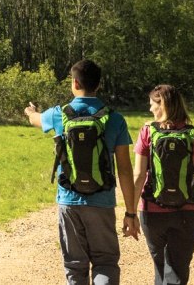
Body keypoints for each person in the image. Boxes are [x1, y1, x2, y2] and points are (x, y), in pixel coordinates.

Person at [25, 60, 141, 285]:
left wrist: (31, 111)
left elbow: (34, 119)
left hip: (69, 200)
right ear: (98, 85)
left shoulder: (59, 114)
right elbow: (125, 171)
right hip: (102, 201)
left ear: (75, 83)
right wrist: (130, 212)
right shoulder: (115, 119)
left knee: (75, 265)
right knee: (105, 262)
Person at [134, 84, 194, 285]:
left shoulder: (147, 132)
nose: (150, 108)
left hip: (152, 213)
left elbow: (139, 175)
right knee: (176, 271)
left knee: (161, 270)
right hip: (187, 214)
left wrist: (131, 212)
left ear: (162, 105)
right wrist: (191, 198)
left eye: (152, 104)